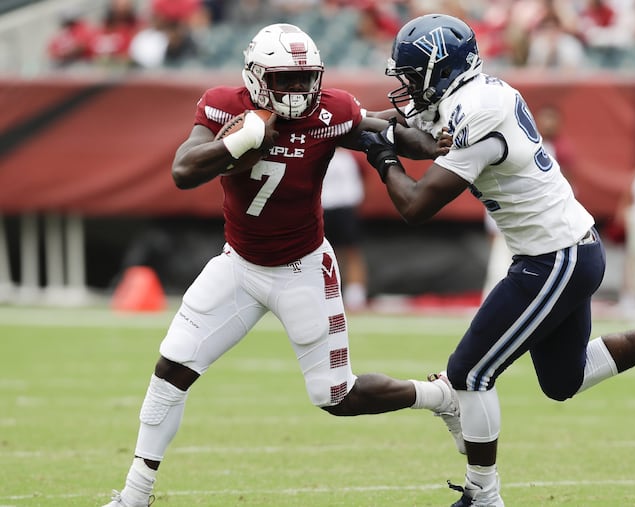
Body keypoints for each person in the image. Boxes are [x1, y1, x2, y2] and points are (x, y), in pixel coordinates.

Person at [359, 13, 635, 507]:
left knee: (469, 374)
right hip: (563, 250)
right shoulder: (471, 95)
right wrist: (337, 122)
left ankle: (484, 496)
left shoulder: (477, 109)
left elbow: (415, 205)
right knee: (565, 380)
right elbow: (407, 131)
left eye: (413, 76)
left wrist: (381, 157)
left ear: (440, 69)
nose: (408, 88)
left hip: (554, 257)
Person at [102, 23, 460, 507]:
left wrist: (434, 140)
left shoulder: (329, 111)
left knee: (336, 397)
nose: (297, 90)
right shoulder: (224, 106)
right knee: (171, 369)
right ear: (254, 76)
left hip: (303, 268)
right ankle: (134, 496)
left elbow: (391, 133)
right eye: (284, 79)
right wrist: (238, 142)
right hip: (239, 266)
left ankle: (439, 397)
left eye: (304, 78)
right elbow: (183, 171)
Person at [321, 148, 369, 311]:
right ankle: (324, 295)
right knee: (321, 254)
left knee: (351, 252)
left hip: (345, 208)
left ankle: (355, 297)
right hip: (323, 209)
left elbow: (362, 177)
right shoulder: (319, 153)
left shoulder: (349, 157)